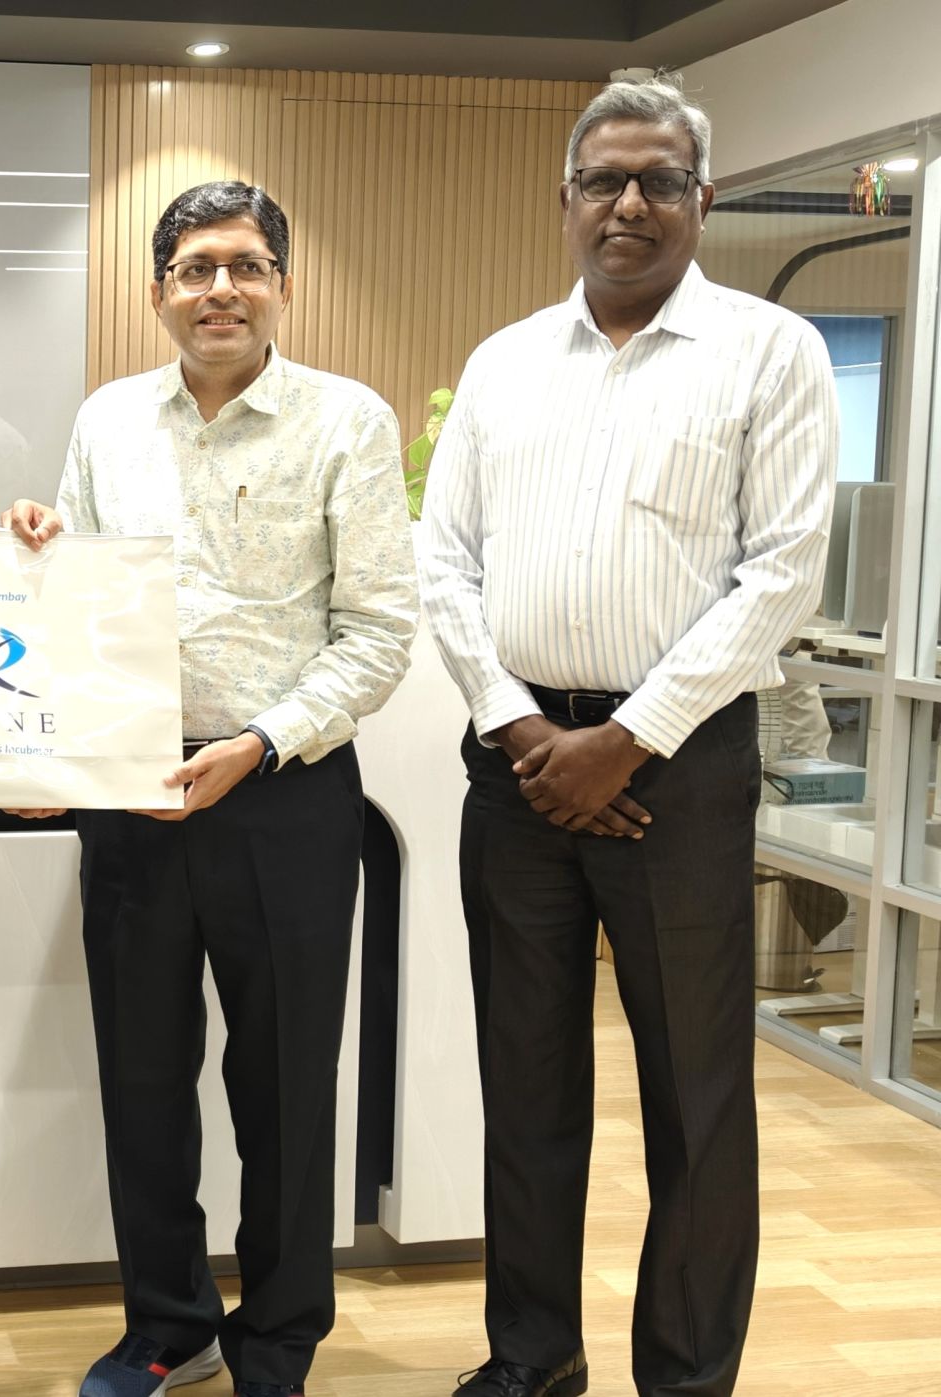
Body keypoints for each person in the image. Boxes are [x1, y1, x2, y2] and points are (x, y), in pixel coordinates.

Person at [418, 77, 837, 1397]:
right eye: (604, 179)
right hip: (520, 766)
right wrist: (524, 728)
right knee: (525, 1088)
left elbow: (781, 575)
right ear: (567, 200)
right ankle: (532, 1361)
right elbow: (445, 563)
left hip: (686, 770)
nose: (631, 202)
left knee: (697, 1101)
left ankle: (688, 1374)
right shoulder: (502, 363)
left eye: (659, 178)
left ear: (702, 198)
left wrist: (632, 737)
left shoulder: (772, 353)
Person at [3, 180, 418, 1397]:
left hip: (283, 790)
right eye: (193, 268)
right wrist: (35, 544)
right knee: (140, 1073)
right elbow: (70, 605)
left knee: (284, 1078)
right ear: (157, 291)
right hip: (129, 793)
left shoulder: (345, 421)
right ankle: (166, 1321)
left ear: (281, 284)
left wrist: (260, 738)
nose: (218, 288)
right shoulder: (106, 420)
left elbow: (378, 632)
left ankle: (279, 1332)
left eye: (242, 265)